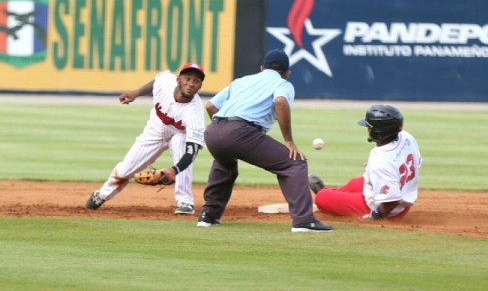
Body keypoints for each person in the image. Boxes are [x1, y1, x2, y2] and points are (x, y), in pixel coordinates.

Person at [197, 49, 333, 232]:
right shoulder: (284, 84)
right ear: (287, 73)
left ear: (262, 68)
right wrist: (289, 141)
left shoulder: (241, 81)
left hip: (213, 132)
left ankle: (209, 216)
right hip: (241, 131)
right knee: (295, 162)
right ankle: (304, 220)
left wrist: (223, 130)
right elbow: (280, 102)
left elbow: (211, 105)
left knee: (225, 163)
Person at [84, 63, 207, 215]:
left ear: (200, 86)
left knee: (180, 143)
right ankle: (102, 195)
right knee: (125, 169)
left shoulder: (195, 114)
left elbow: (192, 151)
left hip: (179, 135)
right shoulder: (166, 82)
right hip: (155, 131)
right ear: (178, 79)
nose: (191, 84)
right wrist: (136, 92)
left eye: (196, 81)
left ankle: (185, 201)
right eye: (187, 78)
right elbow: (156, 82)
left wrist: (173, 171)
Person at [309, 104, 422, 220]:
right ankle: (335, 195)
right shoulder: (407, 137)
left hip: (388, 209)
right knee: (354, 183)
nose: (368, 129)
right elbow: (416, 162)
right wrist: (381, 170)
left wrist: (375, 215)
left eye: (369, 127)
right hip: (404, 192)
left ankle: (326, 195)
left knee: (322, 198)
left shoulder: (381, 160)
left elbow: (392, 202)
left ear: (378, 132)